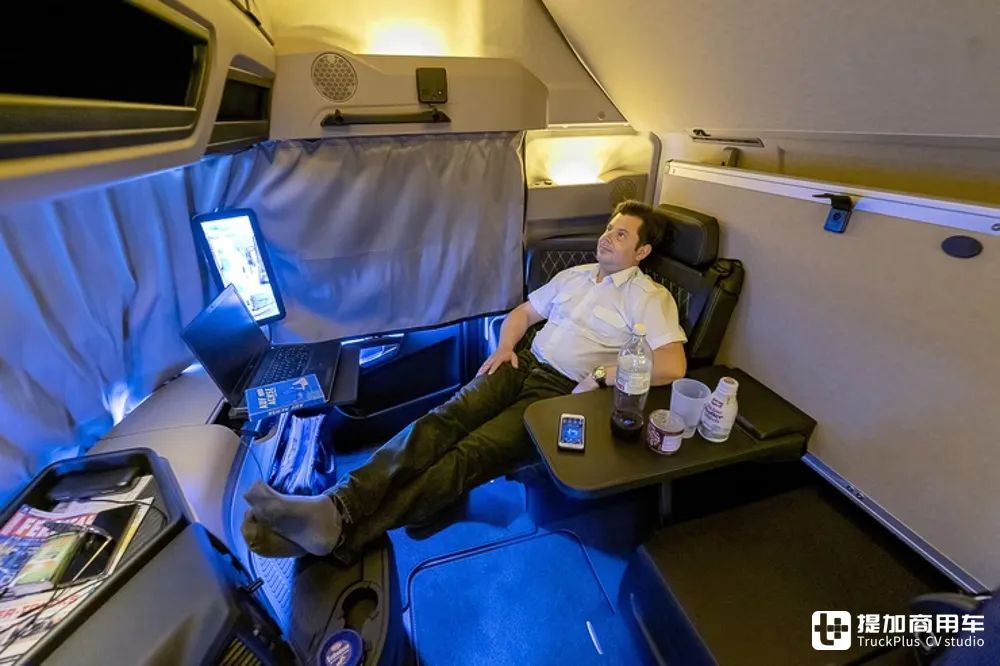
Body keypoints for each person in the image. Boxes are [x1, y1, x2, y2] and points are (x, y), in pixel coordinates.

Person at [240, 200, 689, 563]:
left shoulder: (649, 297)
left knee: (468, 455)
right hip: (520, 364)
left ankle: (339, 532)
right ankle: (336, 505)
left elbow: (673, 364)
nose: (607, 237)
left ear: (642, 252)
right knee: (441, 420)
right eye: (609, 228)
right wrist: (505, 347)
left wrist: (603, 375)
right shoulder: (575, 276)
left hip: (561, 393)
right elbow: (524, 314)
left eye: (621, 234)